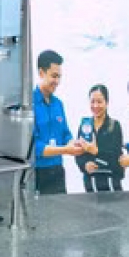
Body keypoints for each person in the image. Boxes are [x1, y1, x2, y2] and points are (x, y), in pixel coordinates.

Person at [32, 50, 84, 194]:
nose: (57, 82)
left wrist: (74, 143)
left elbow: (65, 134)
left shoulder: (58, 104)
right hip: (37, 174)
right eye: (54, 76)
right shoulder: (29, 104)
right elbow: (34, 147)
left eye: (59, 77)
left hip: (58, 172)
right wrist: (65, 150)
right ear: (41, 73)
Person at [74, 84, 124, 192]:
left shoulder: (114, 126)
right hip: (90, 183)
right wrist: (85, 165)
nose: (95, 106)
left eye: (99, 102)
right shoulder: (84, 125)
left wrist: (96, 151)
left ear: (107, 103)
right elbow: (78, 153)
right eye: (92, 101)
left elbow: (117, 157)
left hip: (111, 183)